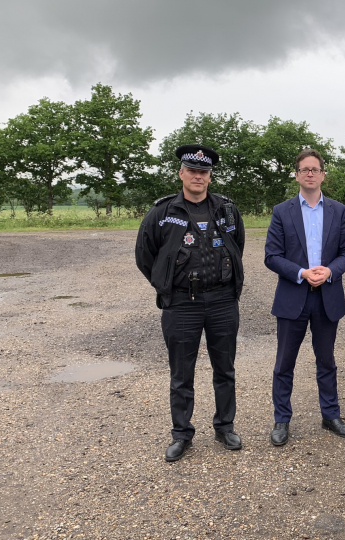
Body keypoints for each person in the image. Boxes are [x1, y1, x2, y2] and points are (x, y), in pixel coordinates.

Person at [135, 144, 246, 462]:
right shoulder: (163, 212)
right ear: (181, 173)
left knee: (224, 369)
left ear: (210, 176)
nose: (198, 176)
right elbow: (145, 256)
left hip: (222, 301)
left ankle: (225, 427)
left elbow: (236, 246)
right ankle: (182, 433)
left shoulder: (226, 210)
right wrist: (166, 284)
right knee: (181, 373)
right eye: (192, 170)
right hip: (182, 304)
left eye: (204, 172)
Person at [264, 148, 345, 446]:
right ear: (296, 175)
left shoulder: (338, 211)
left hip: (327, 296)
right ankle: (282, 420)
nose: (310, 173)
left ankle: (330, 415)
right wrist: (302, 273)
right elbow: (272, 256)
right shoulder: (282, 211)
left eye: (315, 169)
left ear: (322, 175)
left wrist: (329, 271)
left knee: (326, 361)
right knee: (284, 363)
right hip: (294, 295)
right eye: (304, 169)